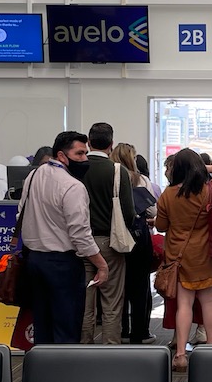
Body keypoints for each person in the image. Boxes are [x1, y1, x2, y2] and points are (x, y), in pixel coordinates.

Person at [19, 131, 107, 345]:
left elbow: (20, 212)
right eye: (79, 154)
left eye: (85, 153)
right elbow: (80, 234)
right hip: (62, 264)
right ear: (61, 155)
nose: (85, 159)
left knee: (42, 325)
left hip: (34, 261)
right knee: (66, 326)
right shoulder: (73, 186)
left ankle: (43, 375)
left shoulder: (34, 176)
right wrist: (101, 264)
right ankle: (64, 374)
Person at [154, 148, 212, 368]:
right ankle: (209, 349)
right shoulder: (209, 190)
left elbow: (161, 226)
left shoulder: (167, 195)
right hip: (206, 256)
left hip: (179, 258)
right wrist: (206, 167)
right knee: (209, 302)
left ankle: (180, 354)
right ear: (196, 168)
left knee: (184, 305)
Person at [79, 121, 135, 344]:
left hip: (80, 242)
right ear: (111, 144)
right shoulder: (117, 170)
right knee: (112, 302)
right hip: (109, 242)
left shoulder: (77, 169)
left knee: (85, 302)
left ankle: (83, 346)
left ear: (89, 142)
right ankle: (111, 349)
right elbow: (128, 212)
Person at [114, 142, 157, 344]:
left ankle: (121, 330)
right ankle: (140, 332)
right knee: (140, 286)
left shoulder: (109, 178)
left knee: (117, 285)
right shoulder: (141, 180)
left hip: (113, 236)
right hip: (138, 237)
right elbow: (152, 211)